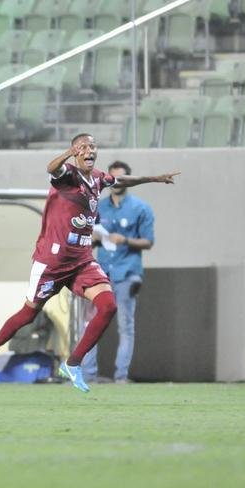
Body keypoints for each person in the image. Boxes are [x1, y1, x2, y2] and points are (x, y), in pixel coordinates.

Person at [0, 134, 178, 393]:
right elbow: (51, 169)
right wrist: (68, 153)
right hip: (52, 262)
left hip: (81, 260)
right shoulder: (67, 174)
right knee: (28, 314)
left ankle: (73, 363)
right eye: (85, 147)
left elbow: (121, 180)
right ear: (76, 151)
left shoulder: (98, 178)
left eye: (93, 146)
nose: (90, 150)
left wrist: (154, 178)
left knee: (108, 305)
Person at [85, 160, 155, 384]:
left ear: (129, 180)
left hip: (127, 272)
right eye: (113, 177)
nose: (117, 182)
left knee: (125, 325)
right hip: (101, 273)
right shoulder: (98, 206)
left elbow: (148, 241)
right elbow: (86, 237)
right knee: (89, 323)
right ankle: (87, 374)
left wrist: (125, 239)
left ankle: (121, 377)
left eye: (121, 178)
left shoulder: (140, 208)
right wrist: (93, 239)